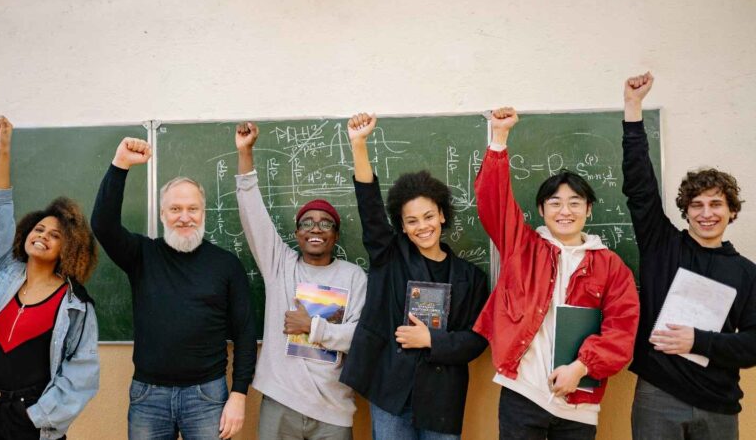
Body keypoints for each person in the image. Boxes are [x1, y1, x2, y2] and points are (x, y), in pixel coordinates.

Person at [472, 108, 639, 439]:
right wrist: (499, 137)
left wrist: (581, 367)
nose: (565, 211)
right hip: (523, 393)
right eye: (555, 203)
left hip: (580, 402)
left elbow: (622, 331)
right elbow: (494, 202)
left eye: (575, 203)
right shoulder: (523, 247)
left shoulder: (611, 266)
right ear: (541, 210)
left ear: (588, 209)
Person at [91, 137, 257, 440]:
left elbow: (246, 334)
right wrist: (120, 165)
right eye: (175, 208)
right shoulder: (141, 255)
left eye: (193, 208)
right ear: (162, 214)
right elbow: (103, 225)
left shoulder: (226, 264)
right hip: (148, 396)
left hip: (207, 396)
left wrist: (239, 394)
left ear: (203, 213)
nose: (184, 217)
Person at [339, 113, 489, 439]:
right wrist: (359, 144)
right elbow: (370, 209)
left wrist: (432, 340)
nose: (422, 226)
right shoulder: (390, 257)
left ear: (442, 215)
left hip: (442, 399)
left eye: (428, 216)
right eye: (412, 221)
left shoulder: (472, 278)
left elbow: (477, 339)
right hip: (391, 392)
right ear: (403, 227)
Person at [622, 73, 756, 440]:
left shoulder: (747, 273)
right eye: (696, 205)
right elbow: (640, 188)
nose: (706, 213)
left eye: (716, 204)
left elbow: (753, 344)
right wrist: (633, 108)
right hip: (658, 395)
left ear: (732, 210)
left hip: (719, 403)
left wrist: (698, 341)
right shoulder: (662, 246)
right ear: (686, 211)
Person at [0, 116, 100, 440]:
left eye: (55, 235)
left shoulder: (75, 304)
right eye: (39, 229)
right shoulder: (4, 275)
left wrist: (37, 416)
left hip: (31, 416)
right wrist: (3, 150)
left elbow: (82, 372)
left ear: (69, 248)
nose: (43, 236)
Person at [233, 122, 367, 439]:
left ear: (336, 235)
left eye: (325, 224)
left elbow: (360, 337)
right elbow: (253, 214)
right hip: (281, 401)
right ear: (297, 234)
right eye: (307, 223)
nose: (316, 228)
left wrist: (313, 327)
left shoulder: (353, 276)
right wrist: (245, 153)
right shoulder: (280, 266)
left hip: (333, 409)